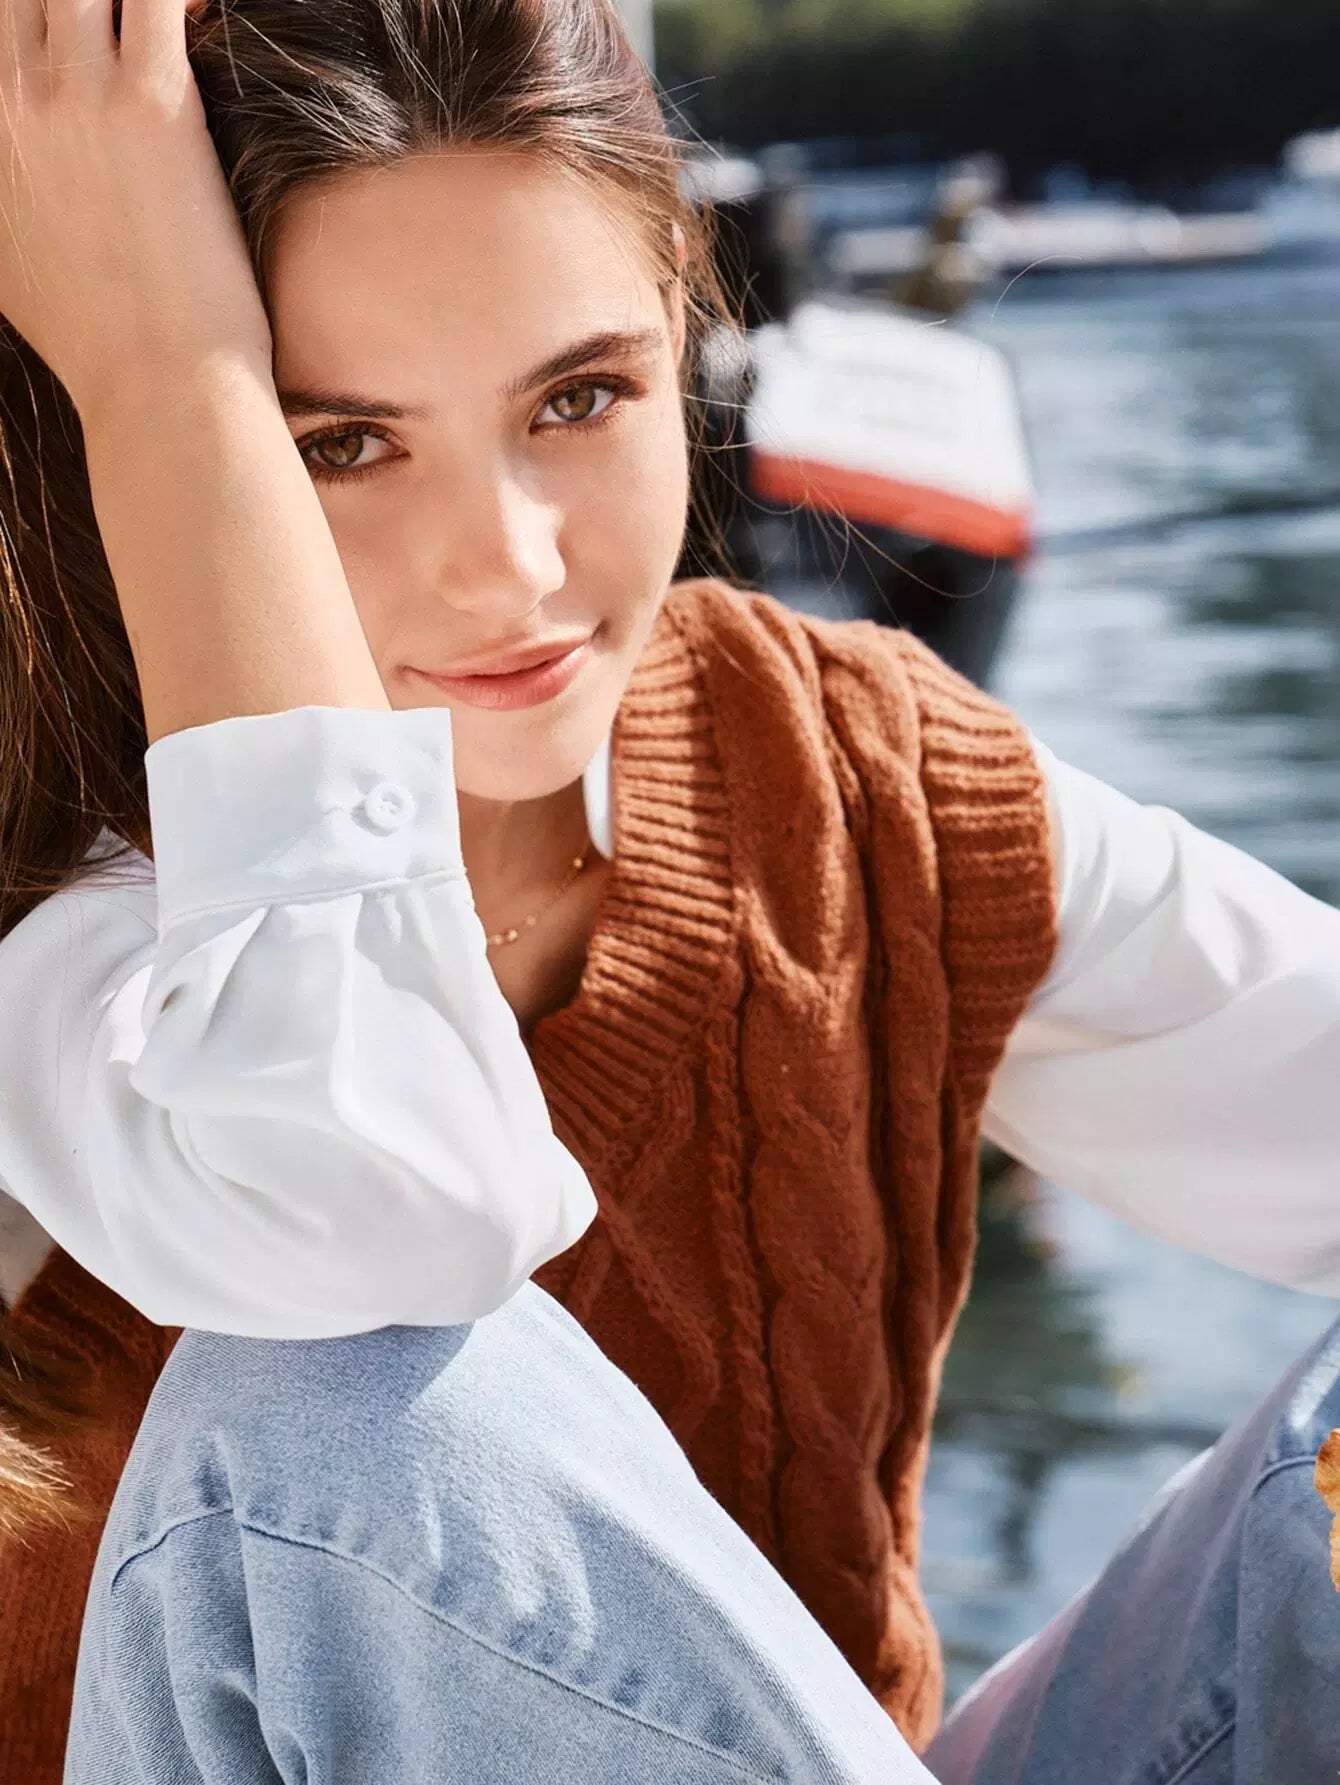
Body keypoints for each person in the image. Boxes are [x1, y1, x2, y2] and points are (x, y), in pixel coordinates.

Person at [0, 0, 1336, 1776]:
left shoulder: (825, 763)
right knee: (333, 1404)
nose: (513, 567)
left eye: (580, 397)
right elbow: (392, 1212)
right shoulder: (56, 935)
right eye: (335, 443)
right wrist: (173, 371)